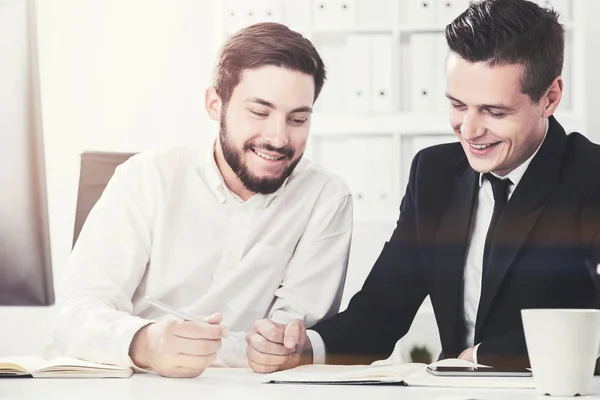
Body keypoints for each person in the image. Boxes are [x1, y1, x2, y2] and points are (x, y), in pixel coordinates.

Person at [246, 0, 600, 372]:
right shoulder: (434, 174)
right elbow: (382, 311)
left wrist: (484, 357)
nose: (470, 130)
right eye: (458, 105)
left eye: (495, 112)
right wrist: (305, 349)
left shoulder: (591, 178)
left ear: (550, 98)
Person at [50, 22, 353, 378]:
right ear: (214, 105)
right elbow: (74, 312)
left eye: (298, 118)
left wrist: (278, 348)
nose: (278, 137)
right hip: (139, 386)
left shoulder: (325, 198)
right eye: (259, 112)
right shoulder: (146, 177)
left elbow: (290, 343)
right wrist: (143, 342)